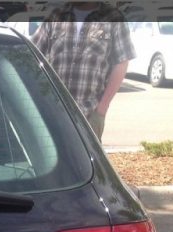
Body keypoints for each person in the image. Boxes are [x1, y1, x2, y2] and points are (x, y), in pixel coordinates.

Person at [32, 2, 135, 140]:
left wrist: (102, 108)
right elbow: (32, 55)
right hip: (52, 112)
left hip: (89, 114)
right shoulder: (56, 16)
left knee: (84, 162)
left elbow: (121, 62)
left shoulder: (113, 18)